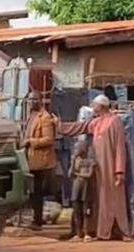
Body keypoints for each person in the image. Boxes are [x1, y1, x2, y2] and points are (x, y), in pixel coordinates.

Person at [55, 94, 130, 241]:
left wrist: (119, 171)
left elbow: (120, 148)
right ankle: (102, 231)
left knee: (114, 198)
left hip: (111, 167)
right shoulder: (96, 122)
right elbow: (79, 127)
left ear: (101, 106)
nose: (92, 107)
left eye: (94, 105)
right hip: (98, 167)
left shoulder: (115, 122)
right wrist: (59, 125)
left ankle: (121, 231)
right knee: (99, 199)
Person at [22, 90, 56, 231]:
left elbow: (49, 139)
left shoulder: (45, 117)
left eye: (34, 100)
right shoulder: (31, 115)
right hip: (31, 158)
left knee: (37, 192)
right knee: (32, 191)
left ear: (40, 100)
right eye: (30, 100)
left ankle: (37, 220)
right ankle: (35, 218)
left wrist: (31, 141)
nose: (32, 102)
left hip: (41, 161)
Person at [68, 140, 95, 242]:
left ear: (83, 149)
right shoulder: (75, 161)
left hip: (86, 187)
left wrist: (77, 174)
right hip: (76, 187)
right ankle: (78, 233)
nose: (75, 150)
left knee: (86, 211)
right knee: (77, 210)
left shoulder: (90, 161)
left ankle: (86, 232)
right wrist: (72, 163)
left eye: (77, 148)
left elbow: (89, 175)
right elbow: (70, 174)